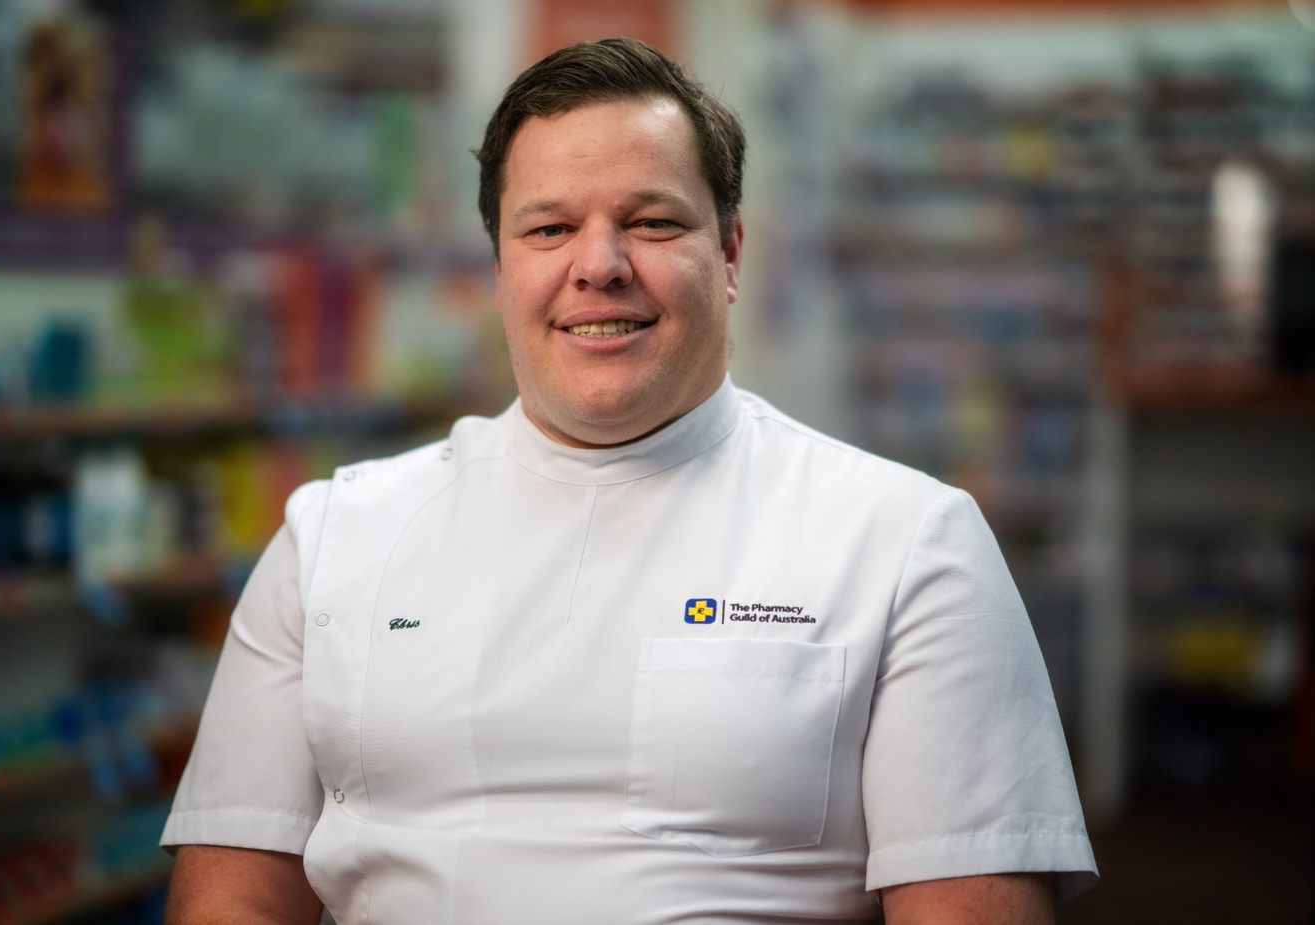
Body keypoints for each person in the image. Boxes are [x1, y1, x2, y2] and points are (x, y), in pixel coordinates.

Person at [162, 37, 1098, 924]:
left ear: (729, 253)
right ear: (498, 268)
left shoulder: (907, 541)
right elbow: (233, 895)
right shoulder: (336, 535)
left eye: (651, 223)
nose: (599, 266)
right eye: (550, 228)